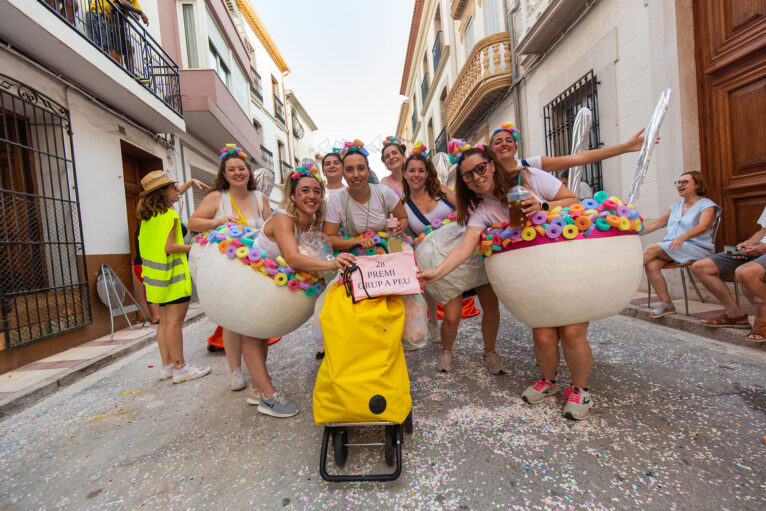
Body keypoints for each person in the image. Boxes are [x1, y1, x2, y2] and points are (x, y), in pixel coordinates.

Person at [421, 144, 602, 420]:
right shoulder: (481, 211)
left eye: (480, 168)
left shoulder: (528, 178)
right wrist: (437, 272)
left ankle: (580, 389)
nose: (476, 177)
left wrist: (543, 205)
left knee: (572, 332)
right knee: (543, 335)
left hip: (566, 265)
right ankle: (549, 381)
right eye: (468, 175)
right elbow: (464, 247)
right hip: (532, 274)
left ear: (492, 165)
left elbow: (572, 199)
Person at [248, 168, 355, 417]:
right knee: (252, 335)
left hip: (270, 284)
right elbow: (294, 258)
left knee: (260, 335)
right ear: (293, 196)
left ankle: (256, 388)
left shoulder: (311, 223)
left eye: (317, 191)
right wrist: (331, 264)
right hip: (252, 281)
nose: (312, 196)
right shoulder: (283, 219)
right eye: (304, 190)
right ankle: (267, 396)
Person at [402, 149, 504, 373]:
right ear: (405, 173)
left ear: (428, 173)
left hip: (467, 246)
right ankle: (446, 351)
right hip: (439, 261)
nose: (417, 174)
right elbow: (406, 236)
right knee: (451, 315)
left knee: (491, 305)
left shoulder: (440, 191)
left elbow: (466, 209)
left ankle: (490, 352)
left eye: (422, 170)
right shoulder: (403, 205)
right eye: (412, 170)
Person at [189, 146, 271, 392]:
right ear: (224, 174)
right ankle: (236, 371)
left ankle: (258, 369)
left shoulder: (260, 198)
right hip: (225, 268)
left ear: (249, 172)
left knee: (256, 320)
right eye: (232, 169)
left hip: (255, 266)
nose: (238, 173)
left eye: (242, 169)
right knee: (232, 320)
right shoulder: (217, 197)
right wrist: (218, 221)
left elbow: (270, 228)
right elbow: (193, 222)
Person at [136, 170, 210, 384]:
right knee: (174, 324)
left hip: (155, 280)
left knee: (164, 323)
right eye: (172, 187)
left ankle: (167, 366)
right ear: (162, 193)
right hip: (173, 279)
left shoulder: (147, 218)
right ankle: (181, 368)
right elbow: (170, 247)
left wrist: (191, 182)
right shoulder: (170, 216)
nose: (177, 190)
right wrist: (195, 247)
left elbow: (158, 246)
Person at [640, 171, 720, 318]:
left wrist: (683, 237)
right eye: (678, 182)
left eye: (685, 182)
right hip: (673, 248)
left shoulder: (707, 205)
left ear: (697, 185)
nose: (680, 185)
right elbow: (656, 223)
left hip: (696, 248)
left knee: (653, 248)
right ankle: (667, 304)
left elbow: (704, 226)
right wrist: (632, 233)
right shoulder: (675, 207)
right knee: (651, 266)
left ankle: (624, 274)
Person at [691, 206, 766, 341]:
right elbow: (763, 231)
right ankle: (734, 314)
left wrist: (763, 248)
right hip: (758, 248)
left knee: (744, 272)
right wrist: (747, 244)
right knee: (700, 267)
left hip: (762, 249)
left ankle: (762, 320)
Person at [323, 144, 408, 250]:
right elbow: (329, 238)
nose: (356, 174)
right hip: (354, 256)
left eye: (361, 168)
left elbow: (403, 218)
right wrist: (357, 242)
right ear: (343, 174)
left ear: (368, 172)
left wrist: (400, 226)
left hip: (386, 251)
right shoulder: (337, 200)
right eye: (349, 170)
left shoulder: (384, 192)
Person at [489, 122, 650, 175]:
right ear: (491, 149)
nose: (504, 144)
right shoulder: (486, 175)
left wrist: (625, 147)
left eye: (508, 140)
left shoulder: (530, 164)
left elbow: (578, 158)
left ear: (515, 147)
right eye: (498, 142)